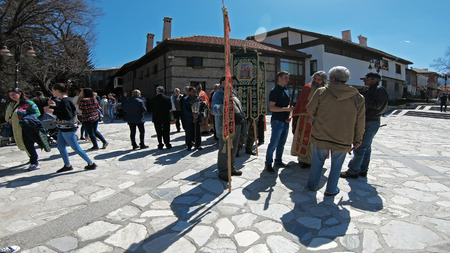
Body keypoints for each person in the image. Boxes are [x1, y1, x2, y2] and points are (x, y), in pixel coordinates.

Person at [306, 66, 365, 196]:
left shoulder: (321, 92)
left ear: (332, 78)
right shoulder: (358, 97)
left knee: (317, 162)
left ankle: (312, 185)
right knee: (337, 165)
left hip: (321, 133)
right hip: (343, 137)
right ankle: (331, 189)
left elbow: (310, 109)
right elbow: (360, 121)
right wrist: (358, 139)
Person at [341, 72, 388, 179]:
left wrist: (362, 99)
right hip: (368, 121)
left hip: (370, 121)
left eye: (366, 79)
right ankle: (362, 169)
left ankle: (353, 171)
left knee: (360, 147)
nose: (364, 81)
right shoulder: (371, 90)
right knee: (366, 147)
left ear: (375, 80)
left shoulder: (379, 90)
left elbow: (377, 105)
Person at [46, 83, 97, 173]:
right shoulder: (65, 100)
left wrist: (53, 111)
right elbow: (65, 111)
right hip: (63, 128)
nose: (52, 92)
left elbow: (67, 115)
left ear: (57, 91)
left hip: (68, 129)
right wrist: (55, 107)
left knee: (76, 148)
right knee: (60, 146)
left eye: (53, 90)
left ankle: (91, 163)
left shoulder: (65, 101)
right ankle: (67, 165)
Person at [291, 71, 327, 169]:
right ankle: (303, 159)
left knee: (314, 140)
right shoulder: (307, 87)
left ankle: (313, 160)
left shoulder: (326, 91)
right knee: (303, 138)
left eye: (319, 80)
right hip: (303, 118)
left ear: (323, 80)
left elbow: (326, 107)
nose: (316, 81)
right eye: (315, 79)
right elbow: (301, 102)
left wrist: (315, 116)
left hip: (318, 120)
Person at [211, 76, 244, 181]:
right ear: (222, 83)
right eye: (230, 81)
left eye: (232, 82)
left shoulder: (233, 93)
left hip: (237, 125)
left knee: (233, 148)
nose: (232, 83)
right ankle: (223, 171)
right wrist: (224, 107)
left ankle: (231, 167)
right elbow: (214, 109)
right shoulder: (218, 94)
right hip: (225, 127)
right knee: (224, 150)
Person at [6, 88, 46, 171]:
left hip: (27, 127)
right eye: (10, 95)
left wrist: (27, 118)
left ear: (20, 93)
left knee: (29, 144)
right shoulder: (12, 104)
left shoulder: (28, 103)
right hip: (18, 128)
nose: (12, 97)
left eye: (14, 94)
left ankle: (34, 162)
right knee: (25, 145)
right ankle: (32, 158)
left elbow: (37, 113)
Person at [264, 71, 293, 173]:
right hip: (277, 121)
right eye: (285, 77)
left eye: (288, 78)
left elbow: (289, 105)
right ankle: (268, 163)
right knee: (274, 143)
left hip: (285, 121)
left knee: (282, 143)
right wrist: (286, 110)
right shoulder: (275, 91)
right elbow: (272, 108)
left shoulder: (286, 90)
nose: (287, 80)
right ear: (279, 78)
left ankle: (278, 161)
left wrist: (290, 115)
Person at [182, 86, 205, 151]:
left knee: (198, 132)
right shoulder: (185, 99)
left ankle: (198, 145)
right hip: (189, 119)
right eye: (193, 92)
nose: (194, 93)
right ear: (189, 92)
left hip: (197, 118)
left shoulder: (198, 98)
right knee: (189, 132)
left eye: (195, 91)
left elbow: (202, 107)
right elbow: (184, 110)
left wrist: (199, 114)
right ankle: (189, 145)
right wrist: (192, 114)